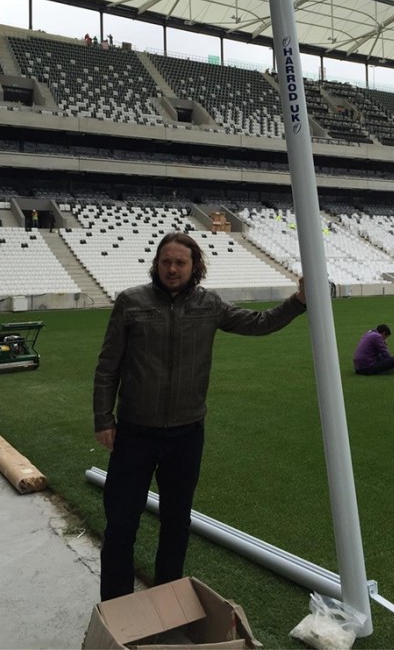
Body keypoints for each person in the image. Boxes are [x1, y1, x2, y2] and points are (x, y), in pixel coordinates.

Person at [93, 231, 306, 601]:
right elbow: (108, 365)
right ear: (156, 264)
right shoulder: (131, 301)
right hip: (134, 433)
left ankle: (167, 601)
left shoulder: (210, 305)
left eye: (180, 262)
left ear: (194, 267)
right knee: (121, 524)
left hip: (186, 435)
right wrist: (103, 418)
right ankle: (116, 607)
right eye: (166, 261)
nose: (172, 269)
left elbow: (259, 322)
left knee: (176, 523)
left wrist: (299, 301)